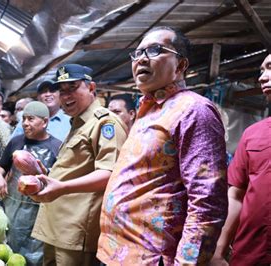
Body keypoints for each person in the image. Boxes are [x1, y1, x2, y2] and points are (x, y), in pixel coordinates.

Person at [97, 26, 228, 265]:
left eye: (155, 50)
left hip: (150, 258)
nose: (141, 59)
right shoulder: (146, 112)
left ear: (180, 66)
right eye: (137, 54)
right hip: (115, 253)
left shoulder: (194, 110)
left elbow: (207, 201)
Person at [25, 64, 128, 266]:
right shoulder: (78, 123)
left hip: (75, 230)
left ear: (91, 87)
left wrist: (62, 186)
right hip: (56, 225)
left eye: (72, 87)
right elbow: (77, 168)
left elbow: (110, 174)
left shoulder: (105, 123)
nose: (66, 96)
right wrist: (47, 175)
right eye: (62, 91)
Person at [211, 54, 271, 266]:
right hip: (251, 255)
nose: (263, 77)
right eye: (262, 71)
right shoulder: (253, 134)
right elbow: (236, 194)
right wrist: (218, 251)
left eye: (270, 68)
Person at [0, 101, 62, 265]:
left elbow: (58, 182)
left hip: (39, 213)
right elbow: (1, 168)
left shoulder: (57, 147)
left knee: (35, 256)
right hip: (12, 209)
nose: (25, 123)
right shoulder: (16, 142)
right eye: (24, 119)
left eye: (31, 119)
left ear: (45, 122)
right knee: (6, 251)